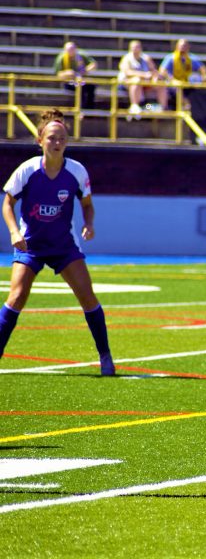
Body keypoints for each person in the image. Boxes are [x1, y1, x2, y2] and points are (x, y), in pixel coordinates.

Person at [0, 109, 115, 376]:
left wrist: (89, 224)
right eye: (52, 137)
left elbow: (87, 204)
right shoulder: (27, 170)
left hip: (64, 246)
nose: (57, 142)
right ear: (40, 140)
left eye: (62, 137)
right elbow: (7, 203)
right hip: (31, 245)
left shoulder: (76, 171)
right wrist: (14, 232)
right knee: (16, 297)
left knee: (88, 297)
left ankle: (105, 355)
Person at [117, 40, 168, 115]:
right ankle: (134, 105)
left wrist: (155, 77)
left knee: (160, 83)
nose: (135, 49)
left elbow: (153, 70)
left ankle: (163, 107)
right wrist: (143, 75)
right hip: (127, 82)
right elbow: (127, 72)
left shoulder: (146, 58)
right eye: (133, 47)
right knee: (136, 80)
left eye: (137, 47)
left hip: (144, 83)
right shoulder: (126, 58)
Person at [159, 39, 206, 108]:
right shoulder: (170, 58)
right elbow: (162, 71)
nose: (182, 47)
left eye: (184, 46)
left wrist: (200, 79)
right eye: (181, 46)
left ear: (188, 47)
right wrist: (171, 79)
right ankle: (186, 105)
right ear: (177, 46)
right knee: (177, 88)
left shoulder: (192, 58)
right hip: (173, 84)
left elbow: (203, 69)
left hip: (188, 83)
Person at [53, 41, 97, 109]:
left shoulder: (81, 55)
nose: (71, 52)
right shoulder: (62, 58)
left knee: (91, 86)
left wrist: (85, 70)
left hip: (81, 80)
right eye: (69, 50)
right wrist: (67, 73)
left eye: (72, 49)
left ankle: (90, 108)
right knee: (80, 88)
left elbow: (94, 64)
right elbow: (58, 74)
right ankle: (80, 109)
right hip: (69, 82)